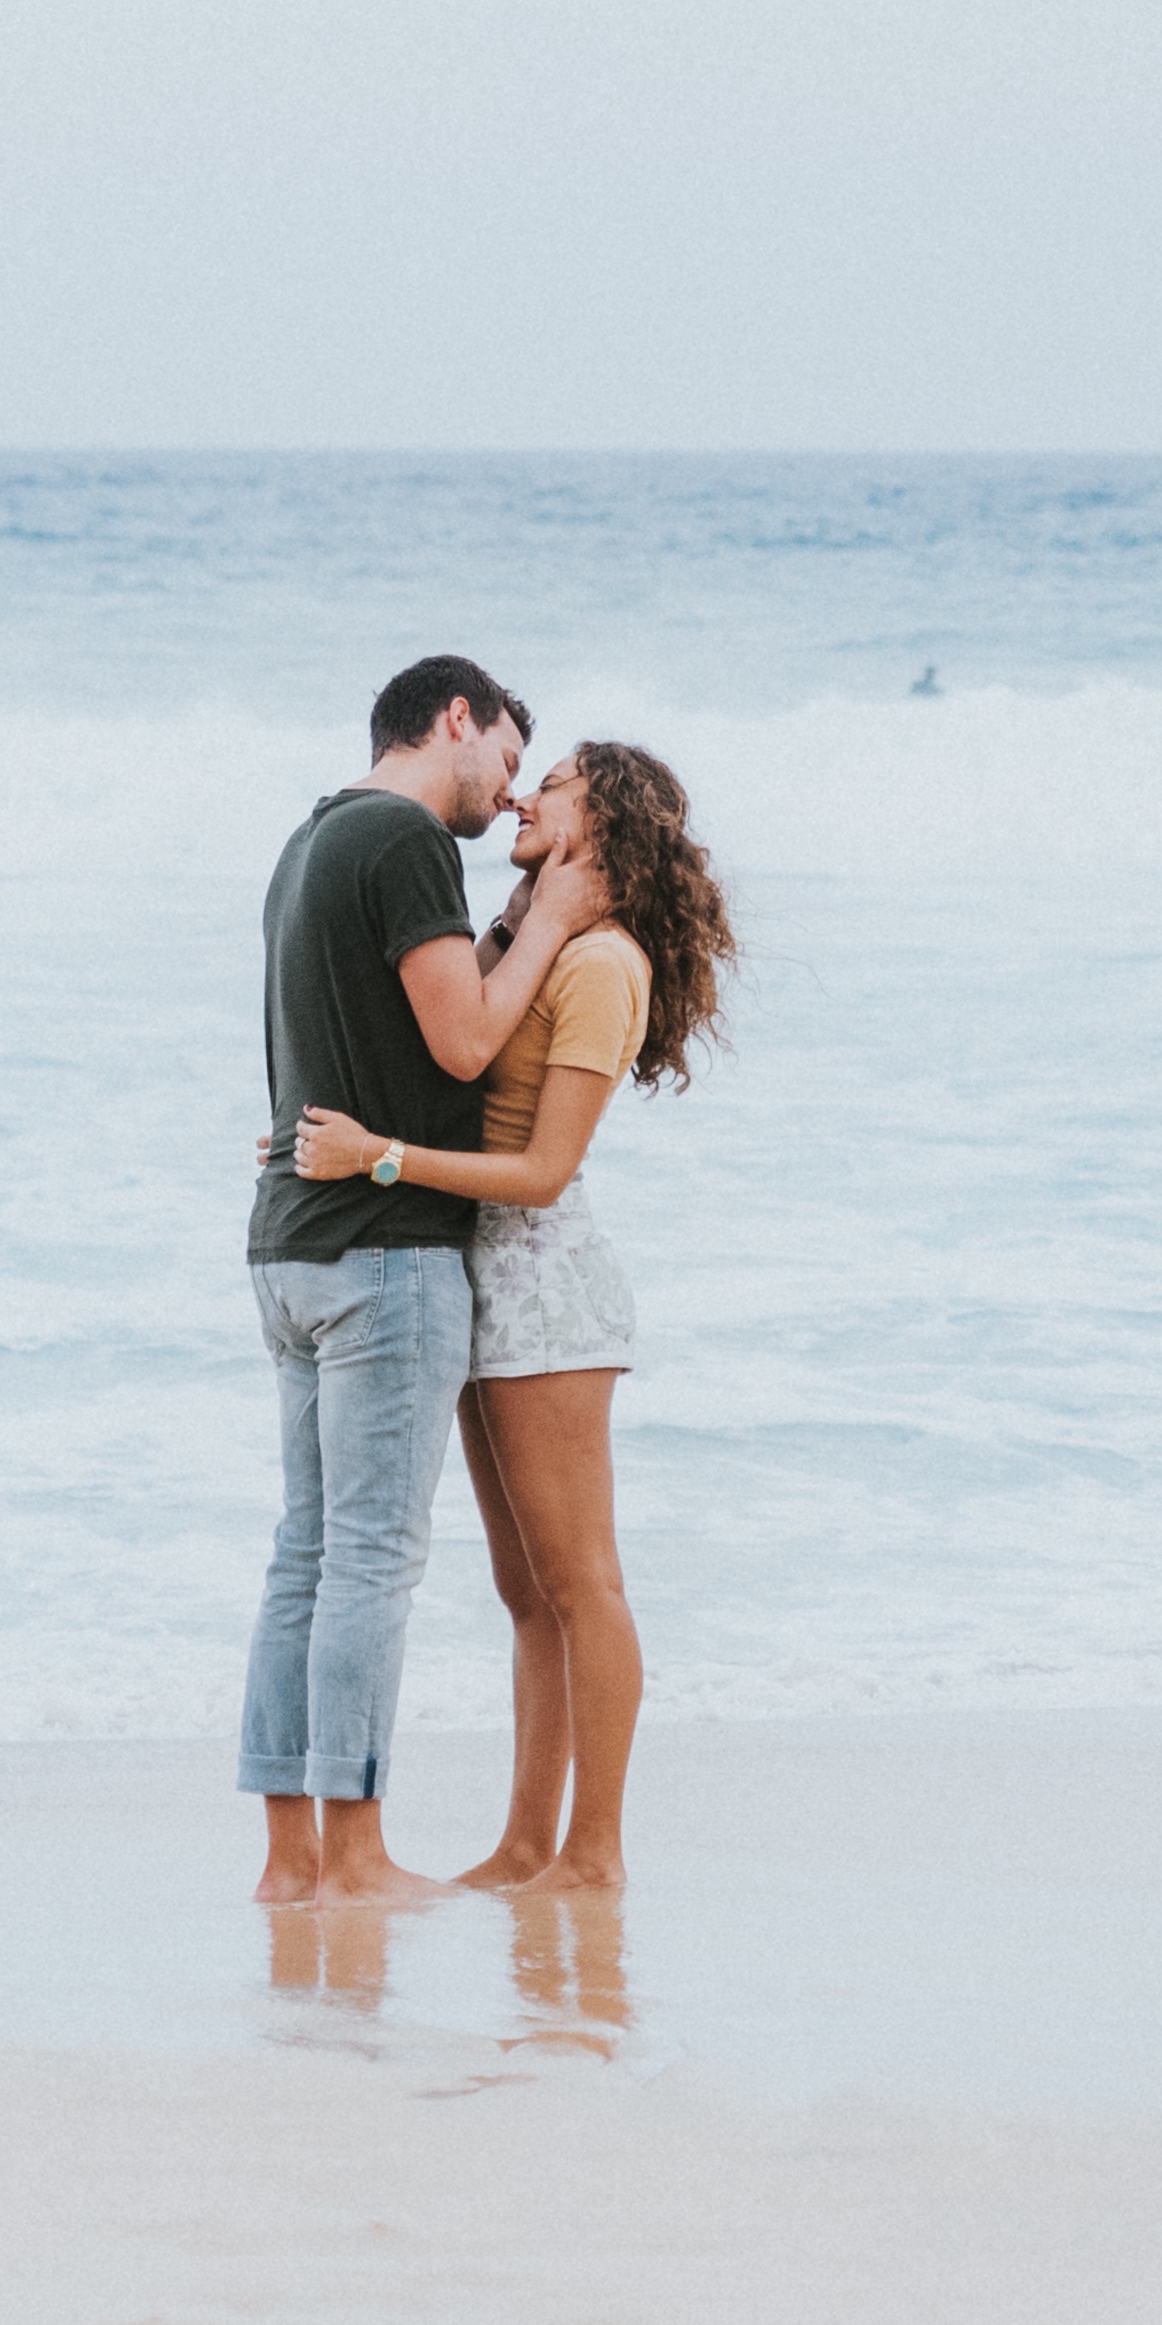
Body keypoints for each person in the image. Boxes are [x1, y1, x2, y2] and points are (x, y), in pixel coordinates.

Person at [284, 741, 735, 1892]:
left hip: (544, 1283)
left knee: (585, 1583)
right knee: (526, 1594)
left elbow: (540, 1170)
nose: (526, 796)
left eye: (560, 784)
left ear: (601, 822)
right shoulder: (546, 944)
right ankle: (528, 1843)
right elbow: (455, 1051)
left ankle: (596, 1851)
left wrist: (379, 1159)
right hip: (485, 1278)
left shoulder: (604, 966)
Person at [238, 658, 604, 1907]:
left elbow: (354, 1043)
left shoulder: (311, 841)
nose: (509, 797)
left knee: (306, 1553)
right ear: (456, 718)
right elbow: (460, 1040)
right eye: (508, 757)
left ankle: (291, 1862)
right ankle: (356, 1857)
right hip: (385, 1252)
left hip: (287, 1242)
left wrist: (510, 927)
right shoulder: (404, 841)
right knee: (373, 1560)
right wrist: (550, 922)